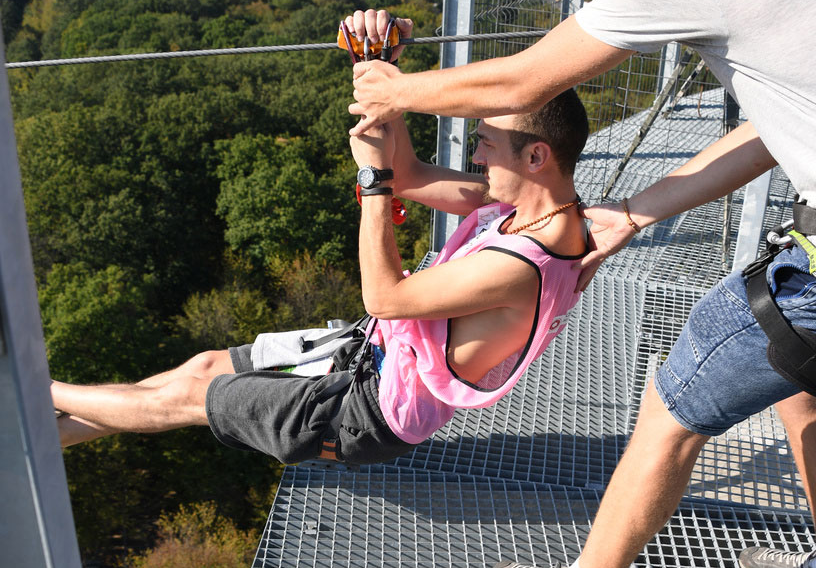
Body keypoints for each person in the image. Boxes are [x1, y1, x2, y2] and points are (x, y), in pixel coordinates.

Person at [345, 0, 816, 568]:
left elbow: (528, 79)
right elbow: (774, 129)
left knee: (676, 399)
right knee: (800, 388)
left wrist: (398, 86)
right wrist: (636, 212)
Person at [52, 42, 590, 468]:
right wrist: (379, 70)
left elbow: (385, 295)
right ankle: (49, 432)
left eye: (486, 144)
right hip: (369, 357)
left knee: (192, 396)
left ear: (537, 156)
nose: (475, 155)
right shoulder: (517, 208)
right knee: (204, 365)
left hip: (368, 410)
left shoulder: (523, 263)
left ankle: (32, 390)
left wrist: (372, 183)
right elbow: (411, 174)